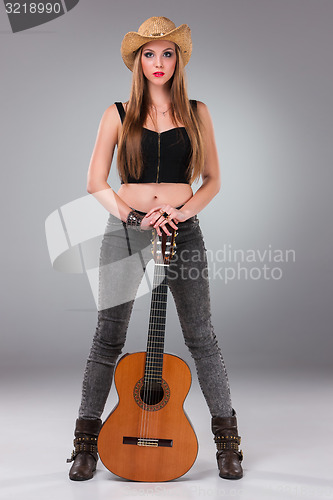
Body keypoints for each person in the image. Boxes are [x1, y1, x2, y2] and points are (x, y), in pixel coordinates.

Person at [67, 16, 244, 482]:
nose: (158, 62)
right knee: (109, 336)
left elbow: (213, 181)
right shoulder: (118, 112)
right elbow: (94, 182)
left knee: (201, 336)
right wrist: (133, 216)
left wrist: (182, 213)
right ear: (138, 60)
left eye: (167, 53)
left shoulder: (198, 111)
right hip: (127, 230)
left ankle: (229, 445)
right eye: (149, 53)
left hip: (181, 231)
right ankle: (85, 445)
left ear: (178, 59)